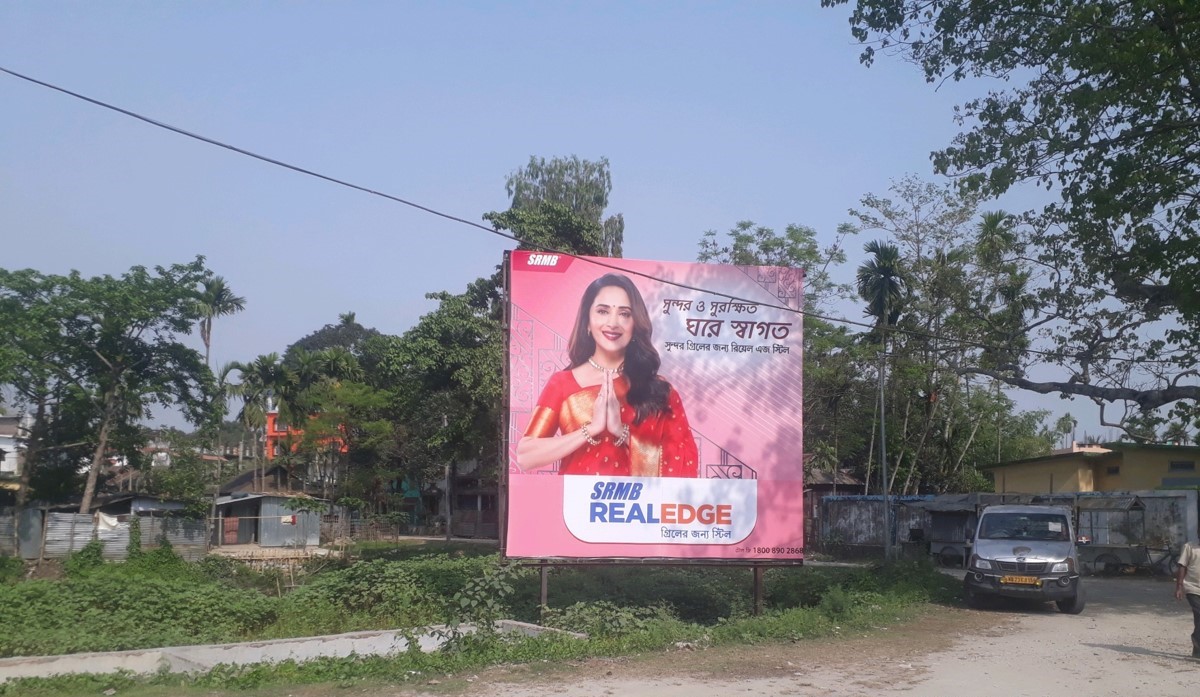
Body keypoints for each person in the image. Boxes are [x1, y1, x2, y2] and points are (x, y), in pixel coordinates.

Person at [515, 273, 698, 477]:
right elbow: (525, 456)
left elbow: (685, 464)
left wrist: (621, 431)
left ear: (635, 325)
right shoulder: (562, 384)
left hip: (639, 507)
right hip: (579, 507)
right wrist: (591, 430)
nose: (613, 323)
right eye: (603, 311)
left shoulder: (659, 391)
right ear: (587, 321)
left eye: (625, 314)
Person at [1176, 540, 1200, 659]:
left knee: (1198, 620)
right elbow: (1182, 566)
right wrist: (1179, 586)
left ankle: (1197, 647)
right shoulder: (1189, 547)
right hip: (1192, 588)